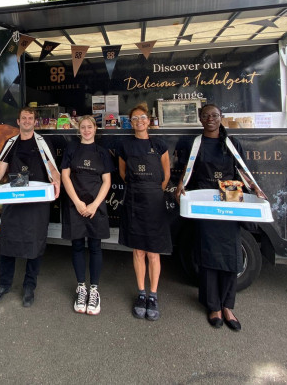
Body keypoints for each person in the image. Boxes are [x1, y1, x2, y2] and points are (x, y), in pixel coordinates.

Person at [175, 103, 246, 332]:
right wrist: (180, 187)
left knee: (231, 254)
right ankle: (213, 306)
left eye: (214, 115)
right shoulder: (195, 144)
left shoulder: (232, 143)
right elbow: (187, 172)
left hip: (230, 196)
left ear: (221, 117)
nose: (210, 119)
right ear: (200, 119)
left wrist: (256, 188)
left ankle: (228, 306)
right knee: (208, 255)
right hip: (204, 200)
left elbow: (243, 171)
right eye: (206, 116)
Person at [0, 107, 61, 307]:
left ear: (35, 122)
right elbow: (1, 168)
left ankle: (29, 287)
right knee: (7, 242)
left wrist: (57, 183)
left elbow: (52, 168)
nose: (27, 121)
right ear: (18, 121)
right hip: (14, 198)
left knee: (35, 244)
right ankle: (4, 285)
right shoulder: (10, 143)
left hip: (37, 201)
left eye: (30, 118)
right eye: (23, 118)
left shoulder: (43, 143)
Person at [118, 103, 171, 321]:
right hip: (134, 200)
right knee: (138, 251)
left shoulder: (159, 145)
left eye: (142, 118)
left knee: (153, 252)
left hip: (155, 202)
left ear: (148, 121)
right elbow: (123, 174)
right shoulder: (125, 146)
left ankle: (153, 295)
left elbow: (166, 174)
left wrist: (153, 192)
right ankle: (141, 293)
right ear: (131, 123)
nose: (139, 121)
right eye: (135, 119)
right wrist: (139, 189)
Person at [60, 115, 113, 315]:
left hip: (96, 206)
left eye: (90, 127)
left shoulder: (102, 152)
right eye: (83, 127)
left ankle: (94, 290)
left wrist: (94, 205)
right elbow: (65, 175)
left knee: (95, 246)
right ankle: (81, 287)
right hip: (75, 204)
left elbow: (107, 181)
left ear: (95, 129)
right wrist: (77, 202)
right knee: (77, 246)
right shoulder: (71, 149)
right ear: (78, 129)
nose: (87, 130)